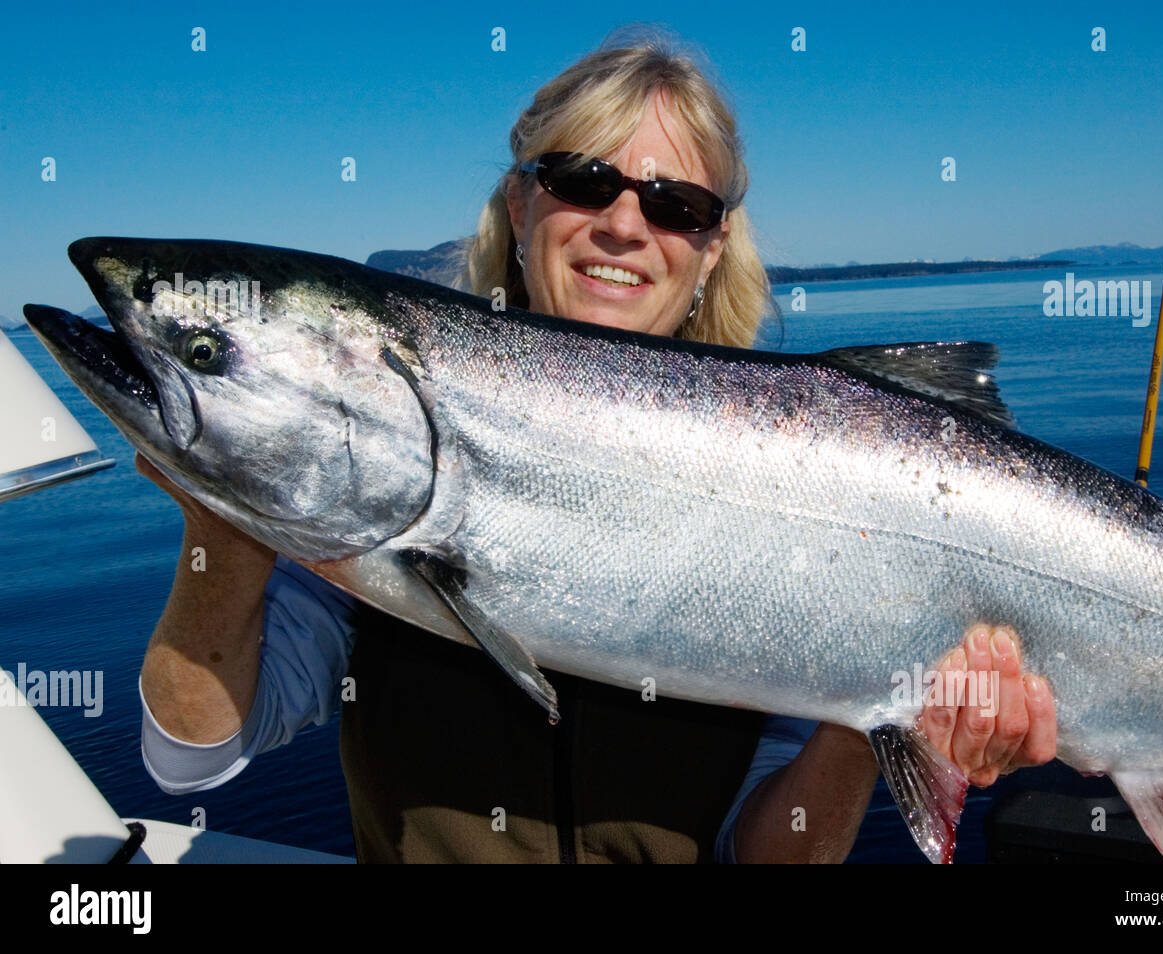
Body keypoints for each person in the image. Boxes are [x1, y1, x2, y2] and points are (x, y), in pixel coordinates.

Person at [137, 28, 1056, 863]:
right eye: (582, 180)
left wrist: (880, 716)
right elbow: (191, 755)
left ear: (710, 247)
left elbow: (774, 856)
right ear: (520, 203)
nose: (623, 223)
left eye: (676, 203)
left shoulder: (795, 476)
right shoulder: (379, 461)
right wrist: (225, 527)